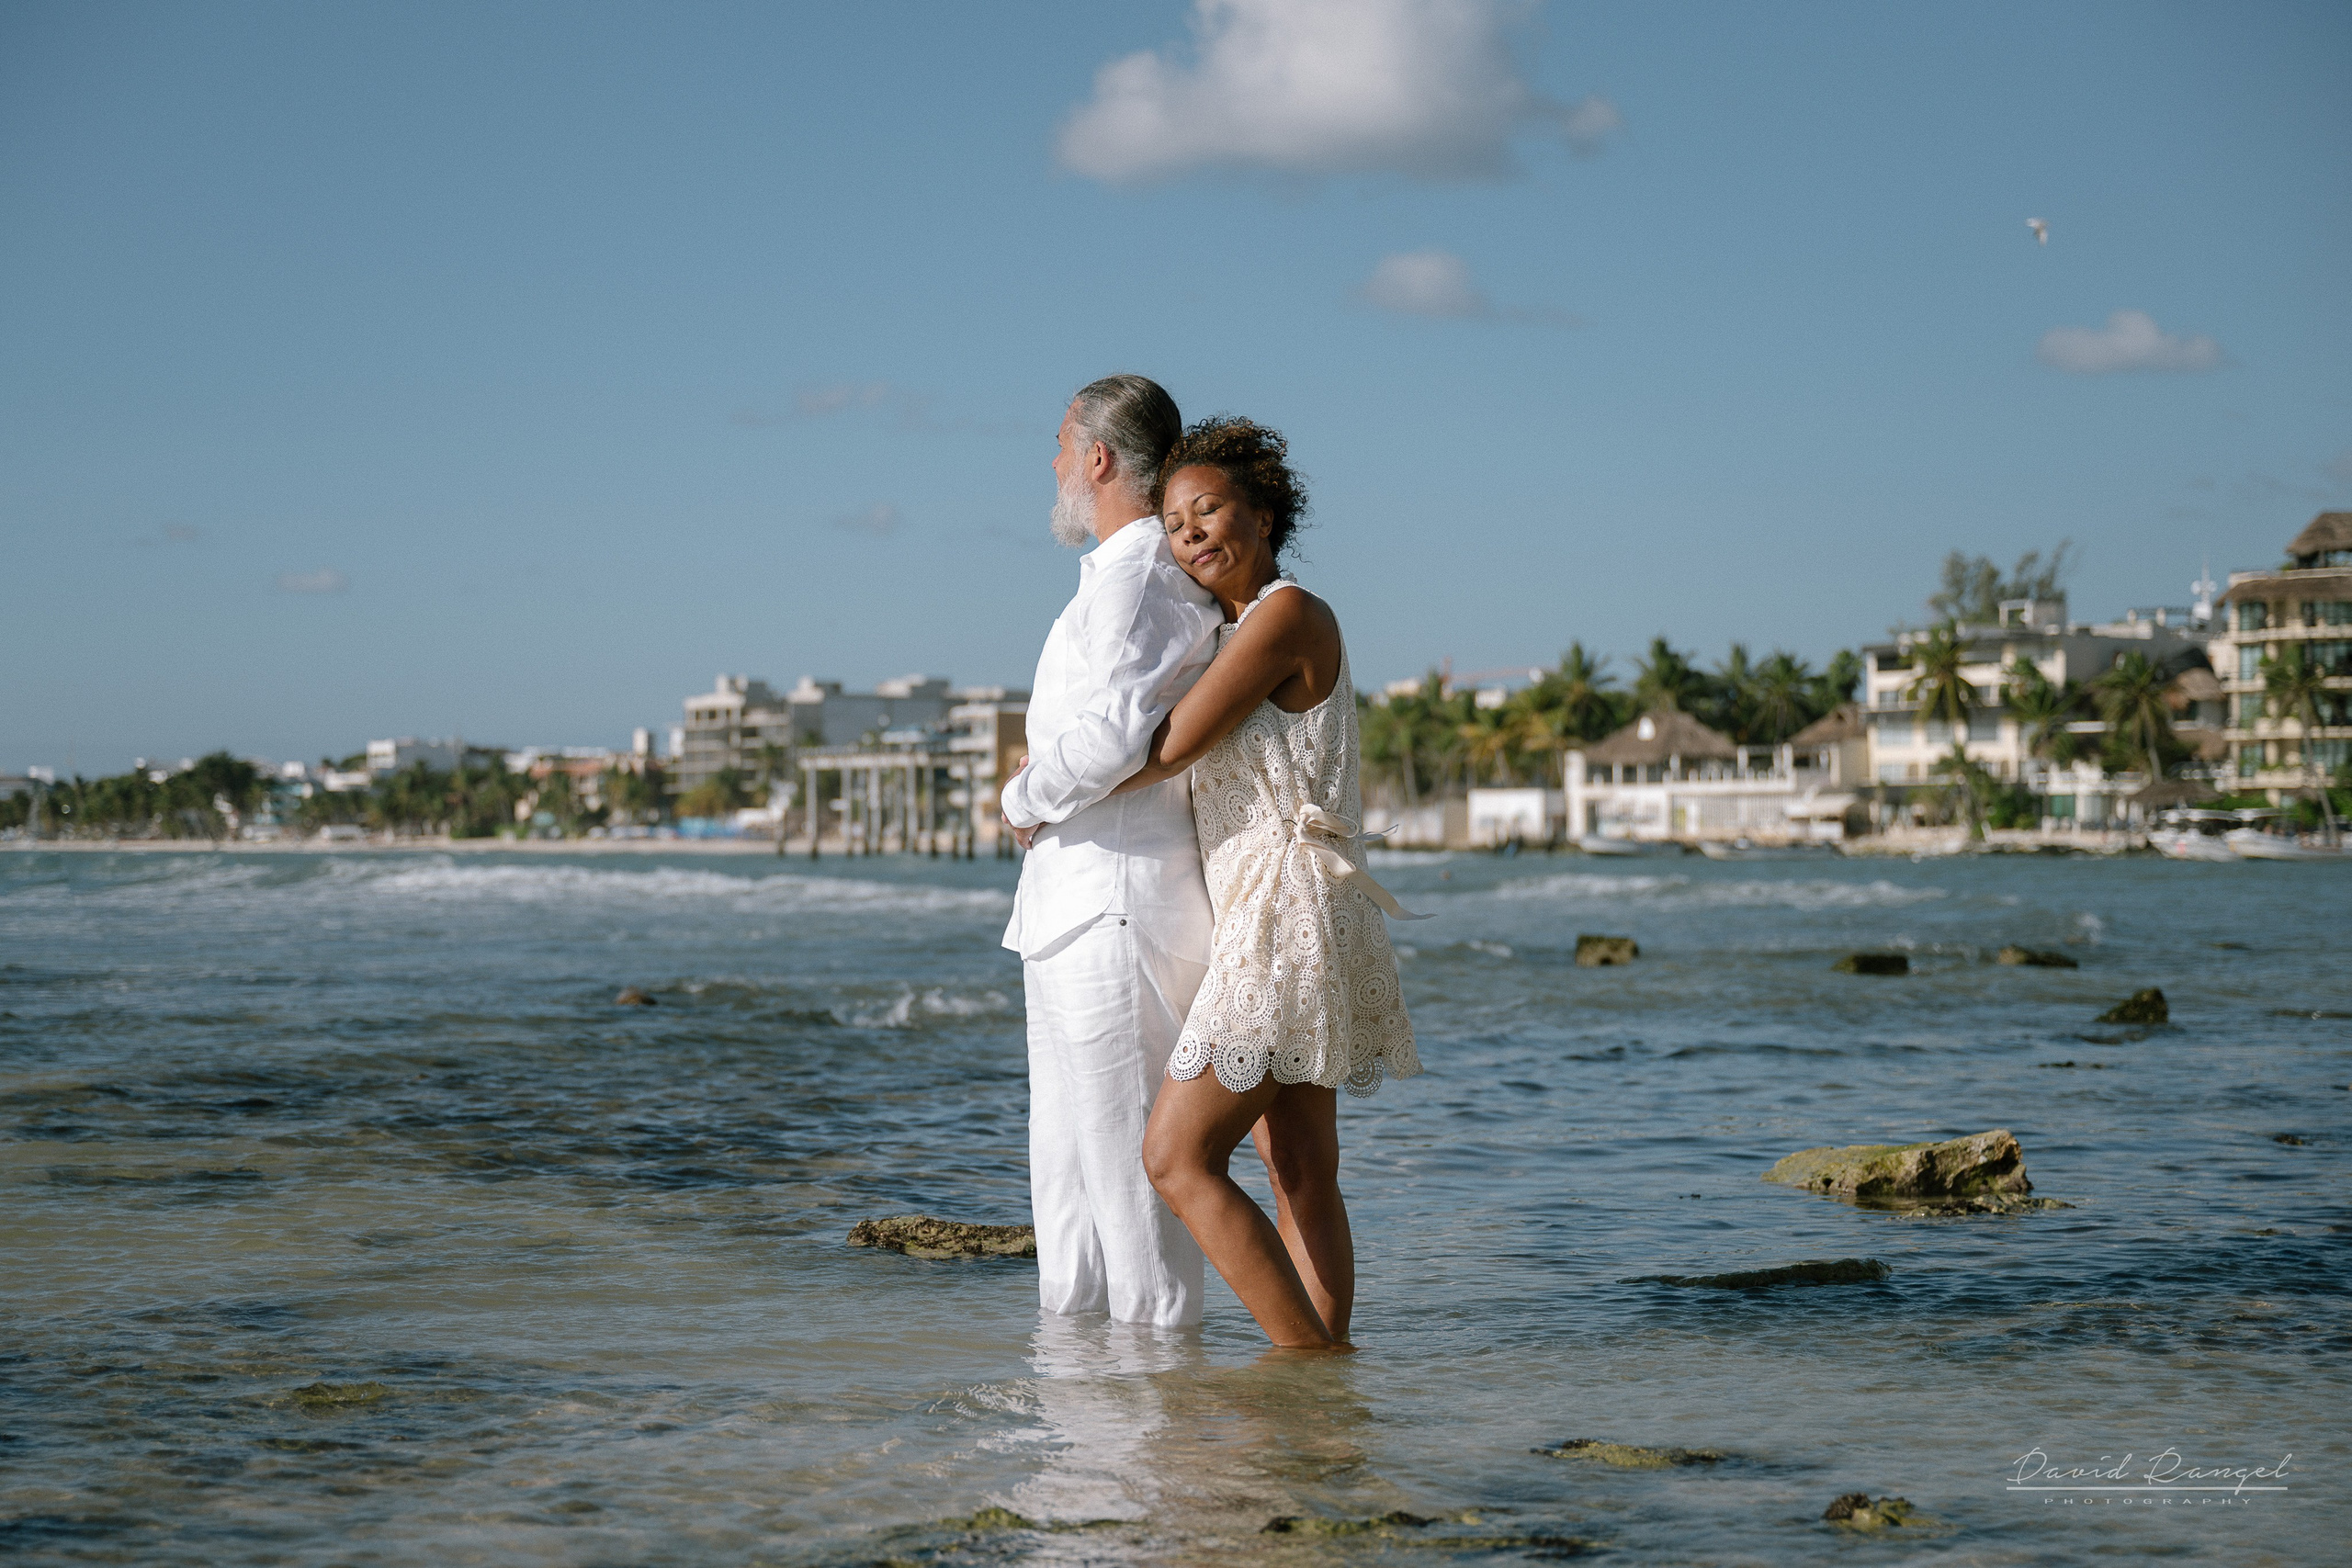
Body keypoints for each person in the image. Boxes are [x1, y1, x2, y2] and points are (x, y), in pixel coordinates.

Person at [1117, 416, 1422, 1349]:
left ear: (1264, 511)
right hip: (1290, 908)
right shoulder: (1231, 631)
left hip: (1286, 912)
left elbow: (1168, 747)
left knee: (1175, 1157)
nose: (1192, 534)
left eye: (1208, 510)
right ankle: (1330, 1390)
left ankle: (1305, 1362)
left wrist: (1044, 786)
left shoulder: (1285, 615)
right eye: (1172, 523)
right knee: (1296, 1164)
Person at [998, 374, 1225, 1328]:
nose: (1050, 463)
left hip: (1115, 914)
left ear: (1096, 459)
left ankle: (1156, 1434)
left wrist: (1020, 794)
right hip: (1071, 912)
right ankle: (1081, 1434)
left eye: (1059, 443)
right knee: (1069, 1189)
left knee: (1130, 1196)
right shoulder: (1112, 580)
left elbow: (1112, 738)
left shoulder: (1138, 580)